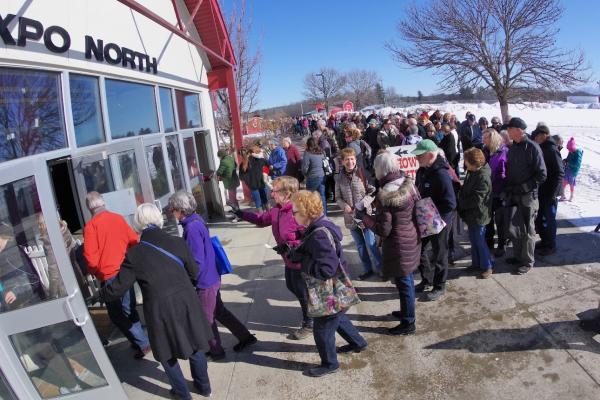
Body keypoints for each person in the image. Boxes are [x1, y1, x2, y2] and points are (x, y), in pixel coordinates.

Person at [99, 203, 213, 399]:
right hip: (186, 302)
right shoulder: (177, 242)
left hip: (159, 310)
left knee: (166, 353)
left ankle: (182, 394)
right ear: (159, 219)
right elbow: (194, 272)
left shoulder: (134, 254)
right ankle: (204, 388)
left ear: (138, 224)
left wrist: (101, 294)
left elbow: (117, 288)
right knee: (195, 344)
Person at [288, 190, 367, 377]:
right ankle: (358, 343)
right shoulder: (319, 226)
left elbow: (327, 269)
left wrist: (303, 263)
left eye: (295, 212)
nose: (292, 215)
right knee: (338, 316)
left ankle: (330, 364)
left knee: (322, 329)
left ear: (306, 212)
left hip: (330, 291)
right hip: (337, 291)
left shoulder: (318, 234)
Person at [169, 191, 257, 359]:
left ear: (180, 209)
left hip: (205, 281)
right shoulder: (196, 220)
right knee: (219, 312)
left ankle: (216, 351)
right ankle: (245, 337)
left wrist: (190, 280)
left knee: (206, 319)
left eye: (173, 209)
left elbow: (197, 261)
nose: (172, 213)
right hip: (212, 276)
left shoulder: (191, 227)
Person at [233, 177, 312, 340]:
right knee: (292, 286)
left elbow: (310, 237)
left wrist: (293, 245)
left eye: (275, 190)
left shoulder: (298, 211)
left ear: (287, 193)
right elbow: (261, 220)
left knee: (303, 291)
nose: (271, 193)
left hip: (301, 261)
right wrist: (241, 213)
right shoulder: (276, 209)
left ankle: (309, 322)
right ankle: (310, 312)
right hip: (288, 259)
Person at [359, 152, 421, 335]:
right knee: (407, 279)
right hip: (411, 237)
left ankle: (408, 322)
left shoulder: (388, 194)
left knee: (404, 283)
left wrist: (366, 218)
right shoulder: (407, 182)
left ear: (381, 170)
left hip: (398, 244)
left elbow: (383, 230)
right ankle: (406, 312)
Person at [83, 192, 150, 358]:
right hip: (127, 271)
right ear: (103, 203)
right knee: (129, 309)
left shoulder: (91, 226)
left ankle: (143, 342)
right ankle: (139, 343)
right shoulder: (118, 218)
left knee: (116, 315)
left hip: (109, 277)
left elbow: (91, 260)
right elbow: (134, 240)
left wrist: (98, 273)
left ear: (89, 207)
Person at [412, 140, 457, 301]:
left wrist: (437, 218)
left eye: (419, 156)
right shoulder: (424, 170)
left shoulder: (441, 174)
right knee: (420, 249)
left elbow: (451, 203)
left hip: (439, 221)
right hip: (425, 217)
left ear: (430, 155)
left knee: (439, 253)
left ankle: (439, 286)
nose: (416, 159)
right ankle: (427, 279)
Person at [504, 117, 547, 275]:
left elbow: (542, 175)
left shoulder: (533, 148)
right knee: (515, 228)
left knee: (528, 230)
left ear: (518, 130)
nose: (507, 131)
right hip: (514, 194)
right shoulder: (514, 147)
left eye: (509, 129)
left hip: (528, 196)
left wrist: (524, 187)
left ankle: (528, 261)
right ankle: (518, 257)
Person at [335, 148, 382, 280]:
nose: (350, 162)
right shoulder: (339, 178)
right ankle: (368, 269)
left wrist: (362, 204)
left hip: (365, 215)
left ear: (355, 160)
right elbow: (337, 197)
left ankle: (380, 267)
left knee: (371, 243)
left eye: (352, 159)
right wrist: (344, 206)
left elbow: (372, 191)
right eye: (347, 159)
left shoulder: (362, 173)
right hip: (350, 217)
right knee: (360, 245)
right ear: (342, 162)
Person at [458, 148, 493, 278]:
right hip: (472, 214)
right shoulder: (472, 172)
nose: (465, 163)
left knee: (479, 241)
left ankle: (487, 266)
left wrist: (461, 203)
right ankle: (476, 264)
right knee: (474, 240)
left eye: (466, 161)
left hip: (479, 215)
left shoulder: (482, 176)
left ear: (473, 162)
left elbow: (477, 199)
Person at [0, 222, 47, 312]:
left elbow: (33, 280)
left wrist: (15, 292)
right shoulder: (3, 255)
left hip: (29, 306)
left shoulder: (14, 253)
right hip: (12, 309)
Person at [532, 126, 564, 256]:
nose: (535, 138)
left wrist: (553, 194)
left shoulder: (551, 149)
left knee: (549, 219)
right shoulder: (543, 147)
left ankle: (551, 245)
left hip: (551, 192)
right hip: (543, 191)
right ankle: (545, 241)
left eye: (537, 135)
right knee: (541, 219)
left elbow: (559, 173)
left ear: (544, 135)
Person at [483, 128, 509, 257]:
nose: (483, 140)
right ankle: (489, 242)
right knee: (488, 219)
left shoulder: (504, 152)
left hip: (500, 192)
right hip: (488, 191)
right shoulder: (486, 151)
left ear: (492, 139)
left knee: (500, 221)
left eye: (485, 138)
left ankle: (502, 244)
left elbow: (508, 173)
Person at [239, 145, 270, 211]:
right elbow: (270, 167)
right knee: (265, 200)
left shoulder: (243, 164)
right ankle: (269, 215)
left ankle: (260, 218)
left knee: (258, 203)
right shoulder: (260, 160)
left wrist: (249, 181)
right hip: (261, 183)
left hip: (252, 186)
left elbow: (241, 177)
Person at [302, 137, 327, 214]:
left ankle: (314, 214)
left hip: (312, 177)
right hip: (322, 176)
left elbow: (304, 168)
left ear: (308, 144)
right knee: (322, 196)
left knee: (311, 197)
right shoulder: (321, 152)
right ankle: (324, 214)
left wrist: (305, 175)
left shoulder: (307, 153)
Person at [561, 137, 583, 202]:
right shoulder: (570, 152)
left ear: (573, 147)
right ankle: (563, 195)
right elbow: (568, 158)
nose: (569, 151)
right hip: (567, 169)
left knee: (571, 184)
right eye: (568, 149)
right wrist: (565, 160)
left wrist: (568, 162)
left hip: (573, 171)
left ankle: (571, 195)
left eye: (570, 149)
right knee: (564, 182)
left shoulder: (577, 153)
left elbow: (577, 164)